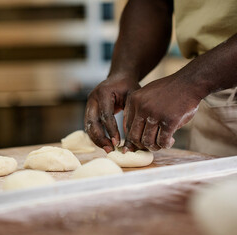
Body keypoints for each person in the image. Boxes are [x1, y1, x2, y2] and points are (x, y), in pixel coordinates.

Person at [85, 0, 237, 156]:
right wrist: (123, 71)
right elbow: (153, 3)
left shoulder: (195, 84)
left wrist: (190, 83)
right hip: (210, 102)